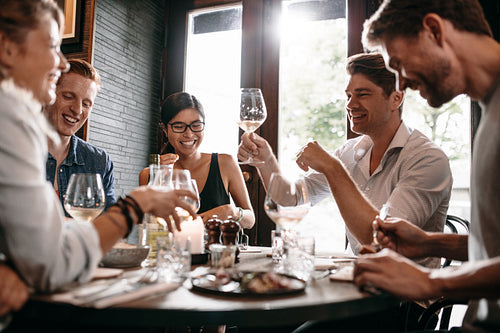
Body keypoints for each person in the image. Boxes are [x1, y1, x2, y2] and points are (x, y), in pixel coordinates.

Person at [0, 0, 196, 298]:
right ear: (8, 47)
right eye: (53, 45)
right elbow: (52, 262)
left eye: (87, 103)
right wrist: (136, 204)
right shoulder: (12, 121)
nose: (62, 61)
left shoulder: (92, 157)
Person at [354, 0, 500, 332]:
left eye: (399, 64)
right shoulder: (489, 109)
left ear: (433, 30)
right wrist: (430, 243)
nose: (401, 84)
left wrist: (434, 282)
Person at [238, 53, 452, 265]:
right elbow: (290, 199)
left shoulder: (428, 159)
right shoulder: (349, 152)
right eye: (348, 96)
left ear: (396, 98)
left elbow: (384, 242)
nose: (350, 105)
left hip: (408, 294)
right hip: (359, 279)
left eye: (362, 94)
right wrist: (264, 159)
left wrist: (331, 167)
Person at [139, 92, 255, 229]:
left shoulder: (225, 163)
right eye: (178, 126)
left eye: (196, 125)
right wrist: (158, 180)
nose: (188, 134)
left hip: (218, 249)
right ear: (165, 129)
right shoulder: (150, 174)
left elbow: (250, 220)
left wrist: (232, 211)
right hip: (171, 249)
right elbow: (149, 227)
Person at [43, 59, 116, 216]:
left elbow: (109, 223)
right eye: (68, 96)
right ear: (48, 92)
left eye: (86, 104)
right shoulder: (14, 149)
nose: (77, 110)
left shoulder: (99, 162)